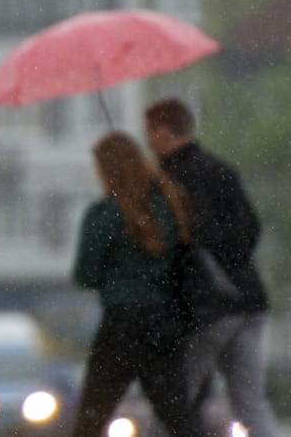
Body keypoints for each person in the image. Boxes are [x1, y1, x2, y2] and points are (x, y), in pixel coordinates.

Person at [145, 97, 277, 437]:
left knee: (172, 401)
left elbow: (169, 249)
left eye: (149, 132)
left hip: (207, 309)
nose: (147, 140)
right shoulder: (222, 170)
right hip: (248, 300)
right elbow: (251, 230)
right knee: (251, 404)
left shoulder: (168, 184)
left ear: (163, 131)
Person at [70, 131, 197, 437]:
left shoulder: (103, 215)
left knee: (91, 418)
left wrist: (113, 277)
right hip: (164, 321)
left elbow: (84, 275)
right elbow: (183, 261)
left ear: (107, 170)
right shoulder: (169, 206)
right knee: (179, 418)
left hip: (121, 324)